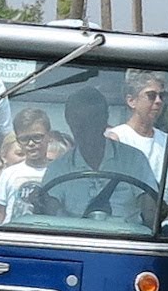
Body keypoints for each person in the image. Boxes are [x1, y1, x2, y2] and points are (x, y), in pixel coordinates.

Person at [39, 87, 157, 223]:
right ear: (69, 122)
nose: (87, 127)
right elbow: (47, 216)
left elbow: (151, 211)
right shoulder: (57, 168)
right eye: (79, 121)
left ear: (105, 119)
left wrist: (153, 209)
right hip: (73, 239)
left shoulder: (134, 160)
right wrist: (41, 204)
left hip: (126, 240)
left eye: (93, 119)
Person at [106, 69, 168, 200]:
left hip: (161, 219)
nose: (158, 101)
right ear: (131, 100)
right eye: (151, 95)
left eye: (161, 96)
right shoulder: (116, 139)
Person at [0, 108, 54, 224]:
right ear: (18, 141)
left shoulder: (57, 171)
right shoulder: (9, 173)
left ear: (49, 136)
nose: (31, 143)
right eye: (24, 139)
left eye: (37, 137)